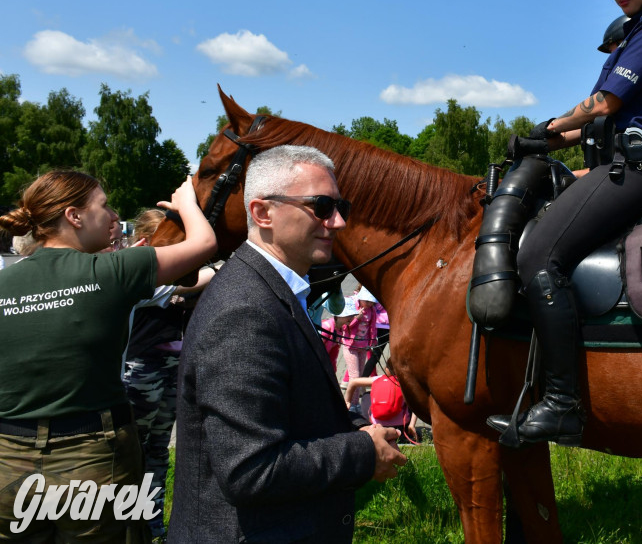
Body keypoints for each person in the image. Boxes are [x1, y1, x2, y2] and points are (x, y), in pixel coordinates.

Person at [488, 0, 642, 447]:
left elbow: (604, 103)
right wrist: (543, 141)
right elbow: (597, 121)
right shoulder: (637, 31)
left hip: (640, 166)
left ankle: (563, 404)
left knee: (539, 256)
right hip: (622, 159)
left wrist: (549, 127)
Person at [169, 145, 406, 544]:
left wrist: (360, 430)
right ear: (263, 213)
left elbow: (293, 413)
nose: (338, 222)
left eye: (340, 207)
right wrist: (363, 453)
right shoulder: (244, 310)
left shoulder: (269, 290)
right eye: (321, 206)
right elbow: (250, 469)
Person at [0, 171, 216, 542]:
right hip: (92, 458)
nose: (114, 215)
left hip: (7, 459)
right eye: (104, 206)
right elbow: (205, 244)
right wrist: (186, 204)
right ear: (74, 216)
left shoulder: (4, 281)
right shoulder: (113, 270)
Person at [122, 208, 215, 543]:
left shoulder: (177, 278)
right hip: (141, 368)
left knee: (159, 448)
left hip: (172, 365)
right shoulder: (138, 276)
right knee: (135, 448)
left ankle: (151, 522)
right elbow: (198, 279)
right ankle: (127, 524)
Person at [343, 364, 418, 443]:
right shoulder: (405, 382)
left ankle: (367, 424)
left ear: (386, 369)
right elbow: (416, 404)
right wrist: (412, 425)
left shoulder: (378, 379)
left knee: (366, 395)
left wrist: (347, 401)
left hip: (376, 427)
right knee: (410, 399)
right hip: (400, 428)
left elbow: (352, 382)